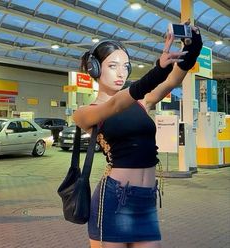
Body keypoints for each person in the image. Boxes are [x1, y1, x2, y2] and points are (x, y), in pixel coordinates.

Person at [73, 24, 202, 248]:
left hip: (146, 199)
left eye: (125, 66)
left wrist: (192, 50)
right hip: (114, 199)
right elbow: (116, 104)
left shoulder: (143, 102)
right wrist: (159, 69)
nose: (121, 73)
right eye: (112, 66)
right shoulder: (86, 113)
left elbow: (172, 81)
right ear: (94, 69)